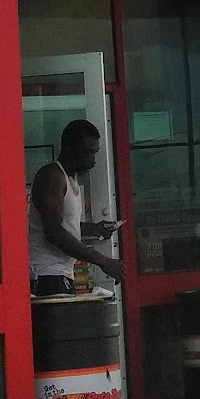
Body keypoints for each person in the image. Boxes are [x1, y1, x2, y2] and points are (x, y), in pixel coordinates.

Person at [29, 118, 125, 295]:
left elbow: (63, 224)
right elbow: (54, 232)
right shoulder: (53, 176)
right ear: (69, 147)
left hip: (60, 273)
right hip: (46, 274)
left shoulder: (70, 178)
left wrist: (94, 229)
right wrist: (103, 261)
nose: (93, 160)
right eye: (88, 153)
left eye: (95, 153)